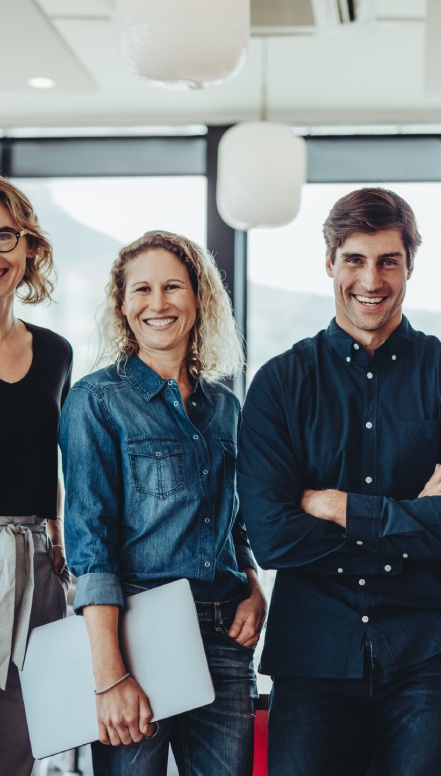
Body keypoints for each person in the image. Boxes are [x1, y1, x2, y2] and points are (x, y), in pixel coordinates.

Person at [237, 187, 441, 776]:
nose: (372, 279)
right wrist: (412, 515)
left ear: (411, 264)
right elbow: (273, 537)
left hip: (431, 652)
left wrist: (336, 505)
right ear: (329, 262)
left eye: (389, 260)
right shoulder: (279, 384)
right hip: (314, 657)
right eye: (355, 259)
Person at [59, 230, 266, 776]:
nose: (158, 303)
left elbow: (236, 522)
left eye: (173, 287)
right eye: (142, 290)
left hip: (224, 637)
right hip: (135, 633)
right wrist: (110, 676)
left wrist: (253, 585)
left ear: (198, 299)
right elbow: (90, 545)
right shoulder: (96, 401)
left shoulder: (226, 406)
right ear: (122, 304)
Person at [0, 177, 72, 776]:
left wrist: (57, 533)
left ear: (28, 248)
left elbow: (52, 455)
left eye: (2, 235)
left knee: (24, 735)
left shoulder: (55, 352)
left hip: (35, 560)